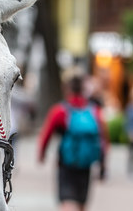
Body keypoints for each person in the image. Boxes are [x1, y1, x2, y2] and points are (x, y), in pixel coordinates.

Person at [38, 68, 108, 211]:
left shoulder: (60, 110)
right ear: (83, 89)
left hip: (66, 164)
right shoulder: (94, 111)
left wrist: (42, 154)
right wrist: (103, 165)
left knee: (67, 203)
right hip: (86, 164)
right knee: (82, 204)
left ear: (67, 88)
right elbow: (103, 139)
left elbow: (46, 134)